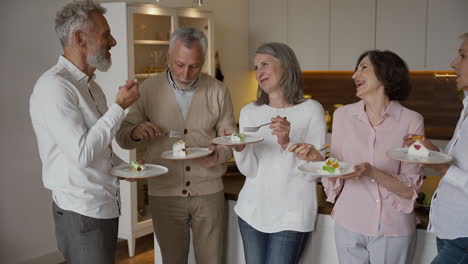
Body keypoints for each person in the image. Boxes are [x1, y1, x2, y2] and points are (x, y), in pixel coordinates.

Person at [29, 1, 140, 263]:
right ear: (79, 38)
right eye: (105, 35)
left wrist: (127, 169)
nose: (112, 42)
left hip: (103, 206)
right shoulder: (54, 87)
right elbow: (81, 153)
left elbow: (100, 148)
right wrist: (119, 107)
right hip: (82, 212)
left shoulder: (93, 88)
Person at [290, 50, 424, 264]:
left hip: (392, 227)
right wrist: (317, 159)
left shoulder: (411, 120)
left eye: (363, 67)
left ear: (385, 74)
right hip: (349, 222)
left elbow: (410, 190)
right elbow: (336, 168)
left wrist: (371, 172)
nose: (354, 75)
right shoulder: (343, 116)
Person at [116, 27, 237, 264]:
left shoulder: (218, 91)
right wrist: (136, 132)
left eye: (194, 66)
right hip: (164, 193)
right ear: (168, 58)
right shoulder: (147, 90)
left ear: (203, 61)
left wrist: (219, 153)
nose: (185, 73)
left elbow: (230, 137)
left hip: (208, 192)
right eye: (179, 64)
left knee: (212, 260)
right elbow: (122, 136)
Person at [232, 42, 326, 264]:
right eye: (256, 67)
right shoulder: (249, 112)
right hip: (251, 210)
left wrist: (287, 142)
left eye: (265, 64)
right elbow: (250, 170)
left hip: (292, 215)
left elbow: (314, 173)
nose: (259, 72)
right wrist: (240, 148)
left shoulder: (312, 110)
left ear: (286, 65)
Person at [406, 33, 468, 264]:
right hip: (449, 231)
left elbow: (452, 171)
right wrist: (432, 152)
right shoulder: (466, 107)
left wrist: (443, 166)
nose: (453, 62)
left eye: (463, 56)